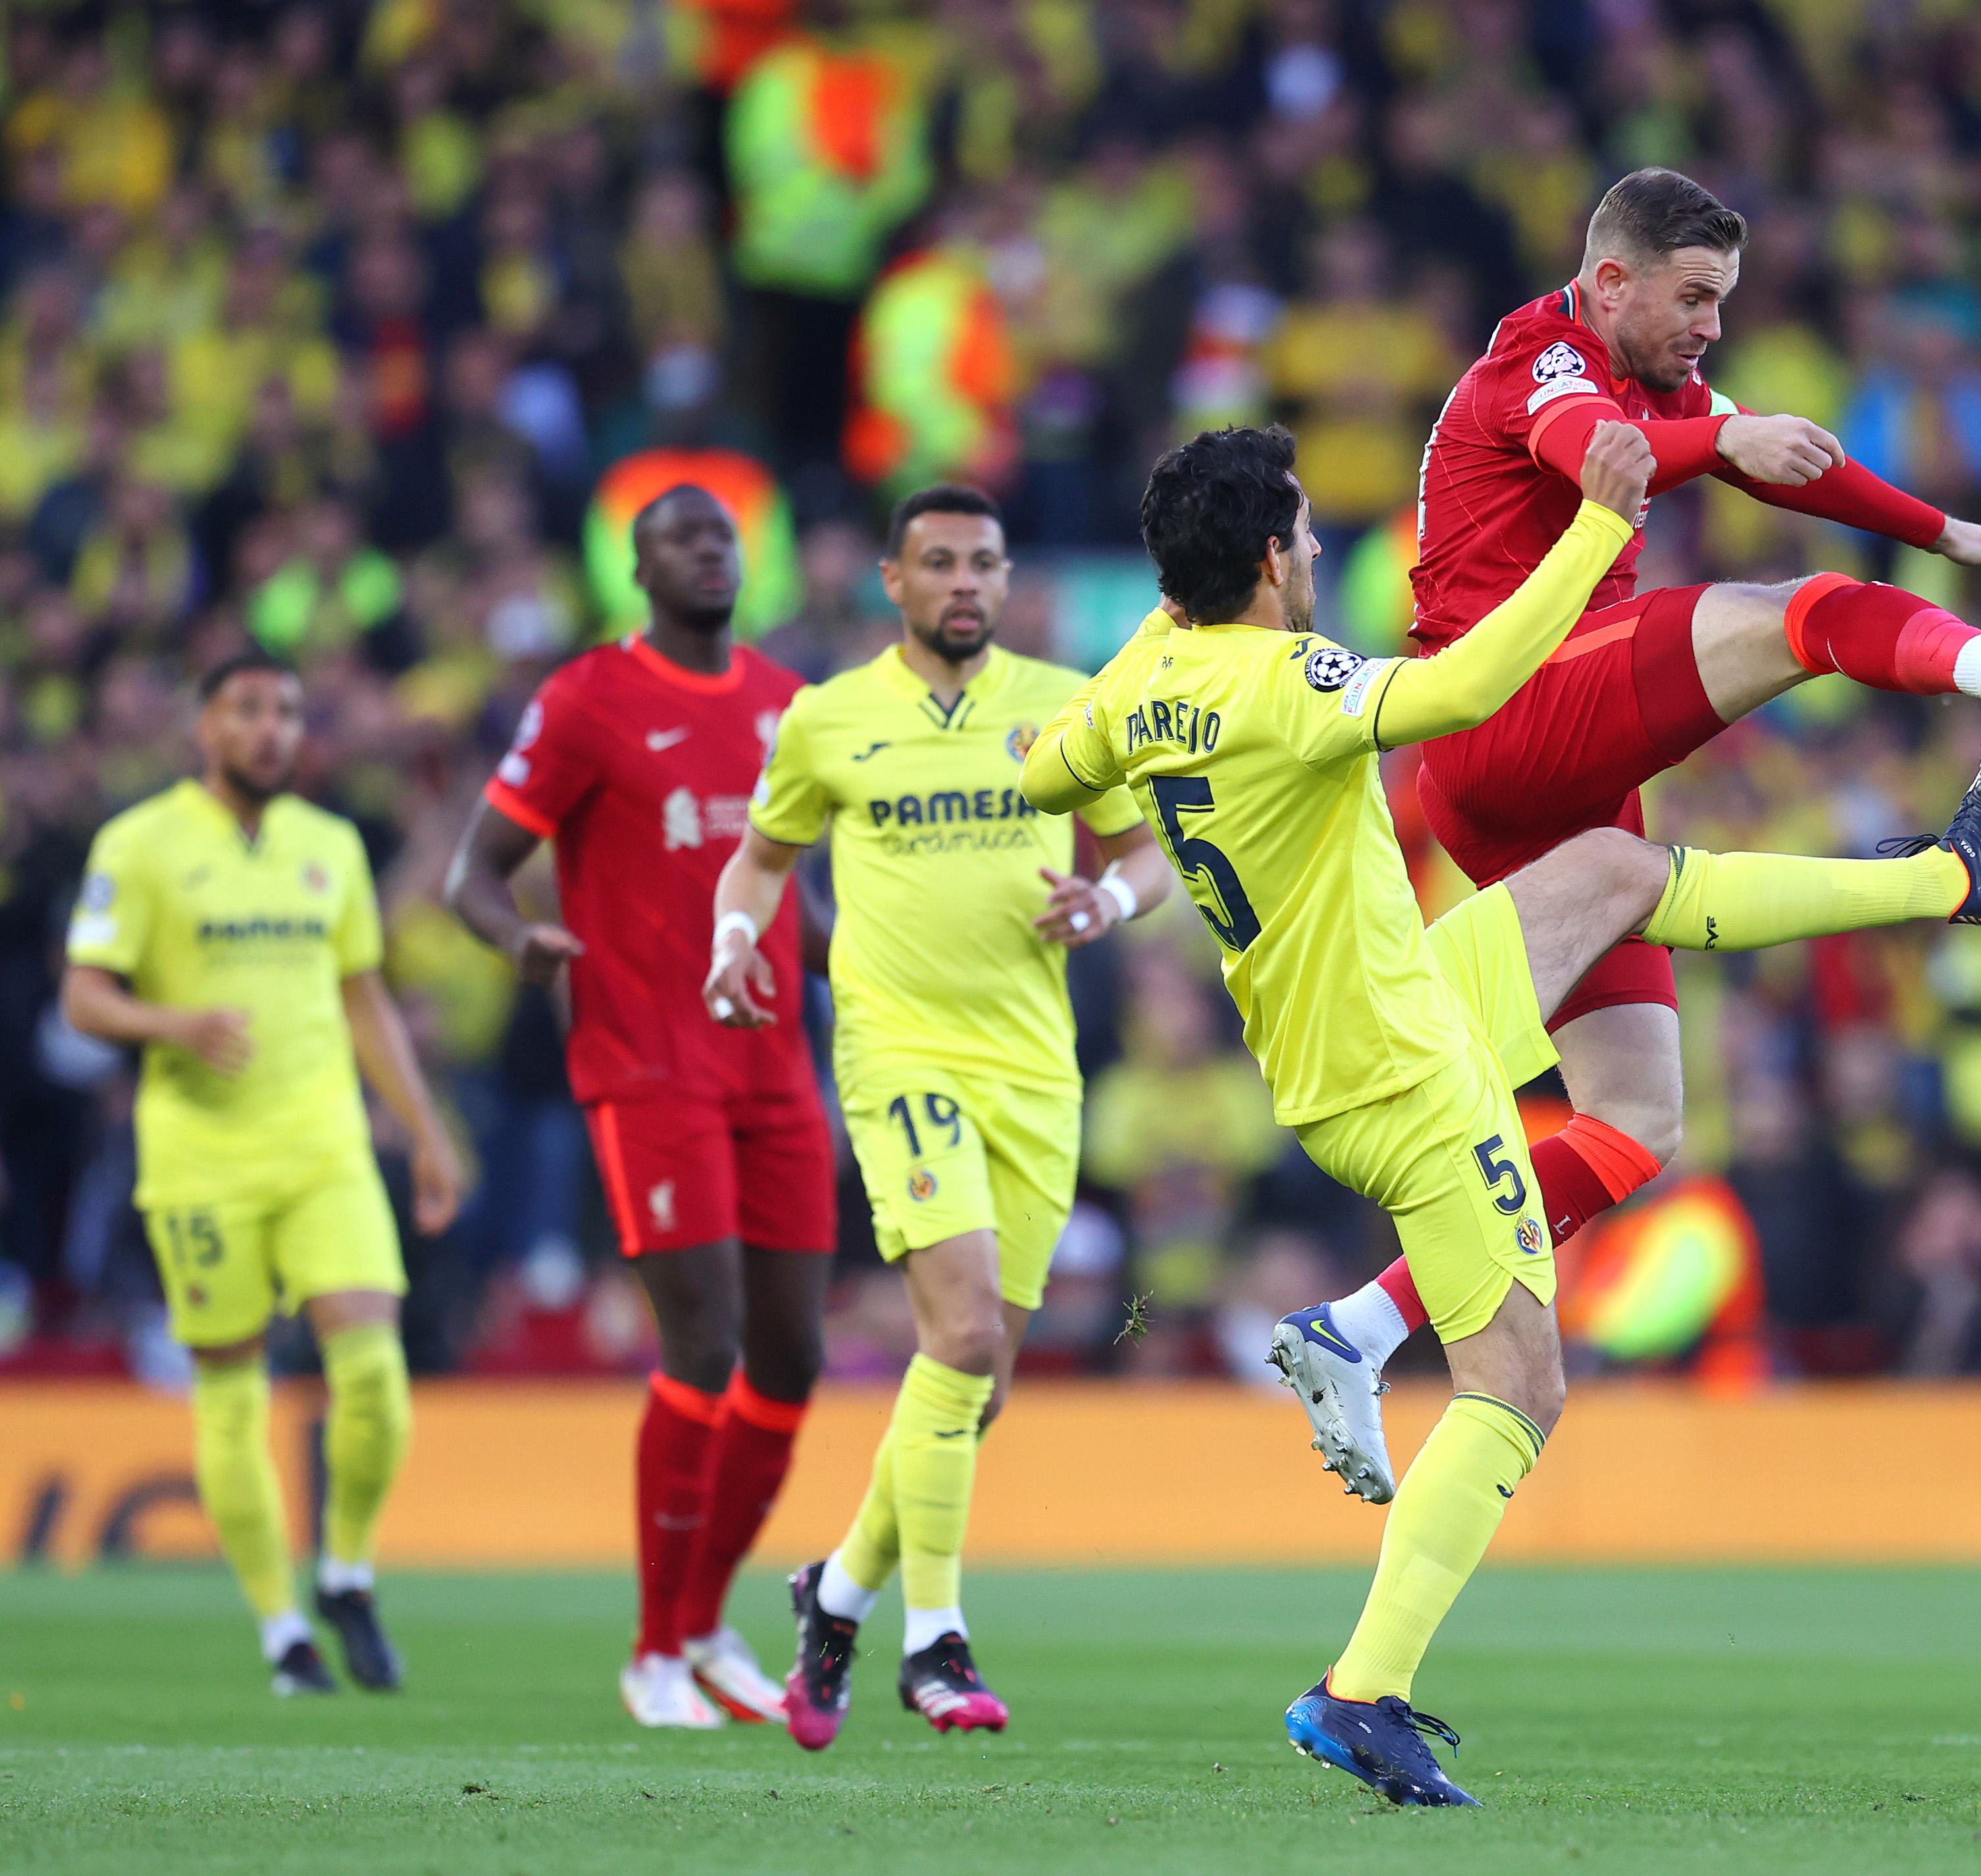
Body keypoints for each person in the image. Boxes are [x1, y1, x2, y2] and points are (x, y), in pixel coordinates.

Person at [1019, 421, 1981, 1804]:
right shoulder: (1284, 680)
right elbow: (1467, 687)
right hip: (1406, 1077)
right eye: (1305, 535)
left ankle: (1948, 880)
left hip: (1369, 1017)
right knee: (1519, 1387)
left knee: (1611, 868)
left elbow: (1044, 777)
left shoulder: (1145, 675)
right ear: (1269, 559)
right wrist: (1599, 528)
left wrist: (1154, 670)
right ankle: (1359, 1691)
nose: (1316, 551)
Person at [1274, 168, 1981, 1498]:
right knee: (1793, 612)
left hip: (1566, 772)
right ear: (1611, 279)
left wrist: (1949, 532)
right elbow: (1611, 464)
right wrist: (1723, 447)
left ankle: (1356, 1327)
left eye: (1723, 303)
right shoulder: (1536, 361)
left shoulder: (1660, 378)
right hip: (1501, 715)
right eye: (1691, 299)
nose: (1708, 328)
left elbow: (1795, 462)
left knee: (1634, 1122)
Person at [705, 484, 1177, 1746]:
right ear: (893, 582)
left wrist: (1108, 909)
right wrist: (735, 939)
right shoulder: (829, 718)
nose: (964, 581)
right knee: (961, 1333)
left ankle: (836, 1589)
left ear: (1005, 578)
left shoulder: (1061, 705)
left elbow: (1143, 851)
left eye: (983, 561)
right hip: (898, 1053)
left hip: (1036, 1069)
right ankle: (934, 1640)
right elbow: (760, 853)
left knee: (982, 1379)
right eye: (939, 563)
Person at [445, 486, 834, 1729]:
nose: (709, 552)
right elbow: (472, 873)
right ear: (637, 567)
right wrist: (517, 944)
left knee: (793, 1353)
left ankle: (709, 1622)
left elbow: (793, 896)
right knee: (703, 1343)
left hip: (775, 1068)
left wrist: (876, 964)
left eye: (722, 535)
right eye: (682, 537)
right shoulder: (585, 701)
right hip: (648, 1066)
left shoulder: (787, 702)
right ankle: (655, 1647)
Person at [62, 650, 462, 1696]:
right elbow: (84, 996)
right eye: (247, 710)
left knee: (375, 1373)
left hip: (325, 1148)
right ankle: (283, 1629)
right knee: (234, 1390)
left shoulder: (327, 845)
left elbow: (366, 996)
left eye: (286, 711)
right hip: (202, 1161)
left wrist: (423, 1126)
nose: (271, 729)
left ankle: (346, 1568)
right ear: (206, 726)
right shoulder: (140, 844)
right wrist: (174, 1021)